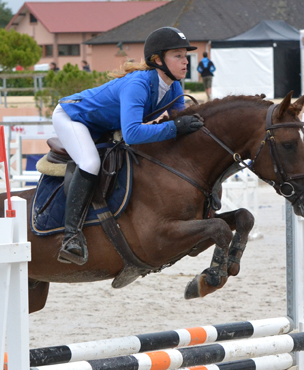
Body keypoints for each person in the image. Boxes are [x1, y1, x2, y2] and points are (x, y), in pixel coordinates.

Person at [52, 27, 203, 265]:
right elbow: (133, 133)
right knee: (90, 162)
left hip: (104, 124)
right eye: (178, 56)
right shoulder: (138, 84)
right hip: (73, 117)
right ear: (158, 60)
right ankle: (71, 237)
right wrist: (175, 128)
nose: (186, 61)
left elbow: (181, 127)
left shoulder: (174, 86)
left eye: (186, 55)